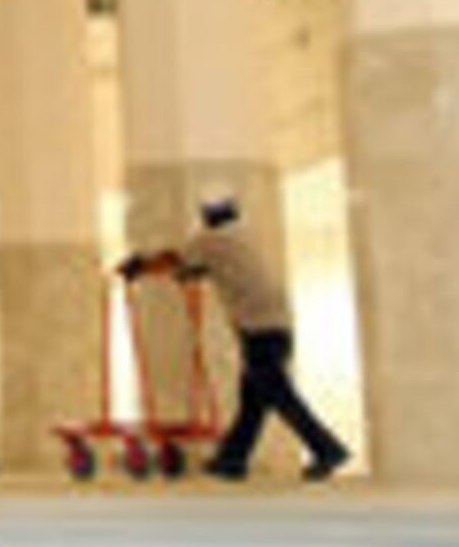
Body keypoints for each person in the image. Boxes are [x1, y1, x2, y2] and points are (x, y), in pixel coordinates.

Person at [119, 194, 350, 482]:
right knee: (253, 399)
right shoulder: (244, 236)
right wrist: (190, 272)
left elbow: (174, 258)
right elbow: (206, 268)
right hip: (277, 326)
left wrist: (139, 265)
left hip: (259, 328)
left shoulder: (210, 239)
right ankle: (232, 460)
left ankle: (327, 449)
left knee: (280, 395)